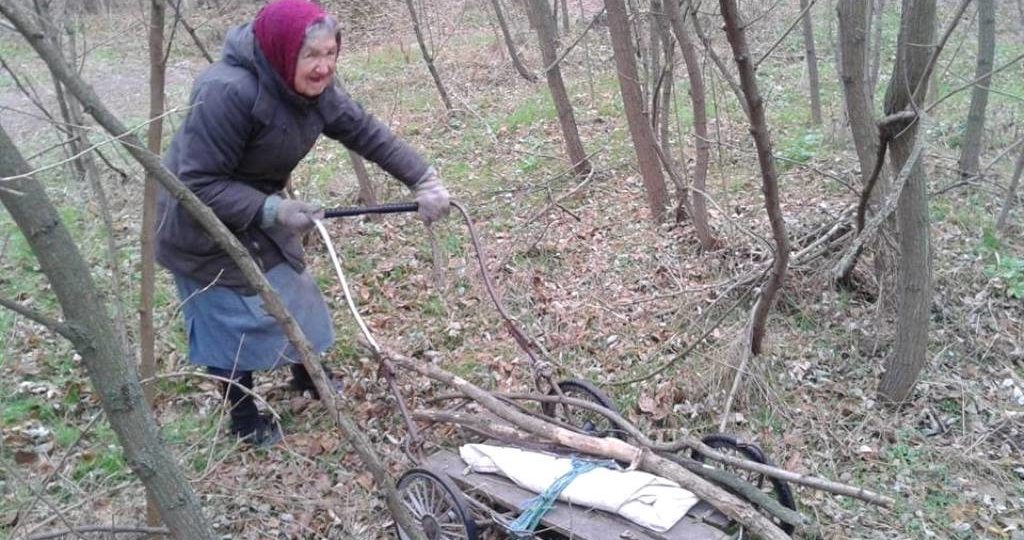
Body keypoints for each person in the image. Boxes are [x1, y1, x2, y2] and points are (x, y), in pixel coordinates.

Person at [156, 0, 449, 447]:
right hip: (200, 226)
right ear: (281, 52)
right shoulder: (227, 91)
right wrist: (272, 210)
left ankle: (306, 374)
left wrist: (423, 178)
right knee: (228, 322)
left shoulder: (316, 93)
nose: (323, 67)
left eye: (331, 53)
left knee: (295, 294)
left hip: (259, 209)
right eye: (310, 56)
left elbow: (365, 131)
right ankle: (243, 413)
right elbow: (195, 182)